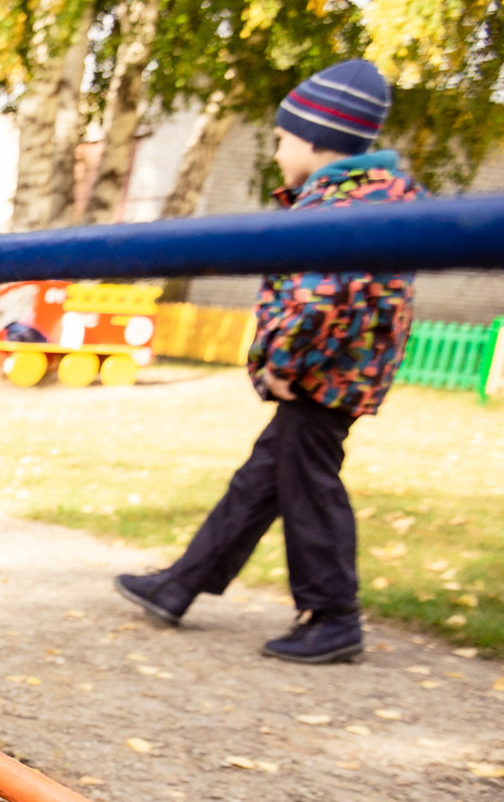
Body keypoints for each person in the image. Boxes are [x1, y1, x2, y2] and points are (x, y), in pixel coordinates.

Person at [114, 59, 418, 665]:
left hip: (321, 378)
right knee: (260, 482)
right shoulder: (366, 198)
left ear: (313, 139)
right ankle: (180, 586)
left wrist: (286, 362)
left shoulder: (336, 208)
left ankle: (334, 617)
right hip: (337, 372)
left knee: (309, 489)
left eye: (281, 140)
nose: (278, 153)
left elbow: (323, 298)